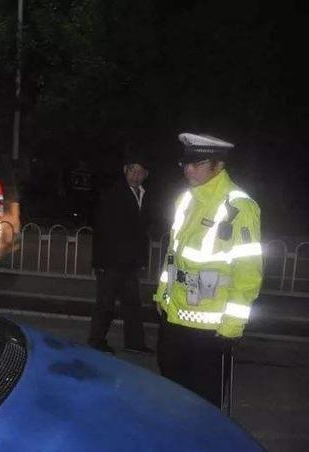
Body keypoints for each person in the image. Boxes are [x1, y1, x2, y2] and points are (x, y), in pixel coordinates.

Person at [153, 133, 262, 407]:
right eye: (185, 163)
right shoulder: (185, 200)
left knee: (203, 406)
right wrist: (161, 295)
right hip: (173, 319)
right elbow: (173, 255)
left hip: (211, 331)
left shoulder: (239, 207)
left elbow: (248, 272)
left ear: (219, 164)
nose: (188, 170)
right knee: (170, 397)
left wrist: (232, 325)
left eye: (197, 164)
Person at [88, 149, 152, 354]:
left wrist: (141, 259)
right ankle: (96, 340)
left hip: (130, 262)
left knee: (133, 304)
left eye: (140, 172)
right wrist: (100, 262)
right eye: (133, 171)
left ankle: (135, 343)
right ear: (125, 170)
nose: (136, 176)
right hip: (111, 260)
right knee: (105, 303)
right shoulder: (113, 193)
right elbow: (102, 228)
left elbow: (141, 232)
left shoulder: (143, 195)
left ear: (146, 175)